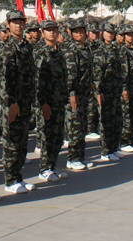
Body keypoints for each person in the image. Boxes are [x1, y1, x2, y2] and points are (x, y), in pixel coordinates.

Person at [0, 10, 37, 194]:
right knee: (12, 141)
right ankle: (10, 179)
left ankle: (18, 177)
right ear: (8, 25)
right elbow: (4, 79)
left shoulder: (26, 46)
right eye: (14, 22)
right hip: (13, 102)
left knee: (22, 141)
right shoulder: (7, 48)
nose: (18, 25)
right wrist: (11, 102)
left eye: (21, 22)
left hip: (25, 100)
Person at [34, 20, 69, 182]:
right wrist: (42, 103)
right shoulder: (41, 52)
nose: (52, 32)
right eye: (48, 30)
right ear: (42, 33)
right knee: (46, 136)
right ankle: (44, 169)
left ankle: (52, 166)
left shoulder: (58, 51)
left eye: (54, 30)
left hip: (59, 100)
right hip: (47, 102)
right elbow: (38, 81)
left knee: (57, 136)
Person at [63, 19, 92, 170]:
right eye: (76, 31)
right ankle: (72, 158)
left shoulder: (86, 48)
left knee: (82, 126)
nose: (79, 33)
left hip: (84, 93)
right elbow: (70, 74)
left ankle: (80, 156)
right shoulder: (71, 49)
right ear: (71, 33)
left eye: (81, 30)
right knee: (75, 126)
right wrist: (71, 93)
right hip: (75, 94)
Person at [93, 23, 122, 161]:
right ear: (102, 33)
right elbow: (97, 74)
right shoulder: (100, 51)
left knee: (117, 120)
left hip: (115, 91)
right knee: (106, 121)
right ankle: (105, 151)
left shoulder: (115, 49)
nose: (110, 34)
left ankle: (113, 148)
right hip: (106, 91)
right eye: (107, 32)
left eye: (112, 32)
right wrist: (98, 92)